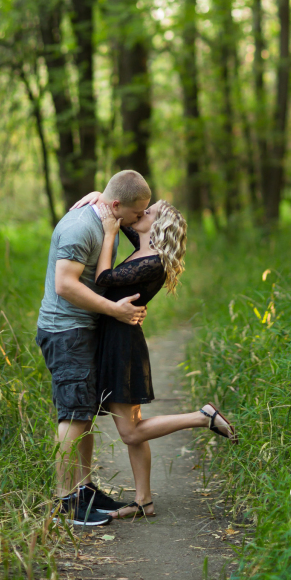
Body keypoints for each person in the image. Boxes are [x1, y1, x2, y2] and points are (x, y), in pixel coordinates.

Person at [77, 192, 237, 520]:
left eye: (149, 211)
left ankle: (201, 417)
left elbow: (104, 279)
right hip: (117, 338)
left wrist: (107, 234)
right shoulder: (144, 246)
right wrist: (101, 195)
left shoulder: (153, 263)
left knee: (131, 432)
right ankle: (144, 501)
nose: (142, 212)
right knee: (135, 427)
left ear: (157, 224)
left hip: (122, 345)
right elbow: (122, 212)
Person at [35, 170, 151, 526]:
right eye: (135, 214)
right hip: (64, 331)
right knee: (73, 414)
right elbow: (65, 285)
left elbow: (149, 224)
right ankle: (64, 500)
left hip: (83, 328)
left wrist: (97, 195)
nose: (139, 220)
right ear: (117, 206)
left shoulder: (108, 216)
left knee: (83, 412)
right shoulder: (80, 227)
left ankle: (82, 489)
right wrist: (114, 309)